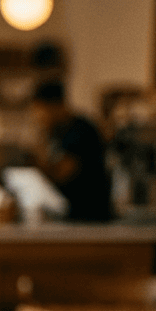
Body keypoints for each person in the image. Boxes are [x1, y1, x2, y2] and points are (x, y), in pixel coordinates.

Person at [30, 80, 113, 223]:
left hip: (90, 216)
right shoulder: (56, 131)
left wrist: (35, 166)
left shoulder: (80, 130)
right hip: (72, 215)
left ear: (54, 106)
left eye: (39, 110)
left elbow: (64, 173)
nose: (37, 117)